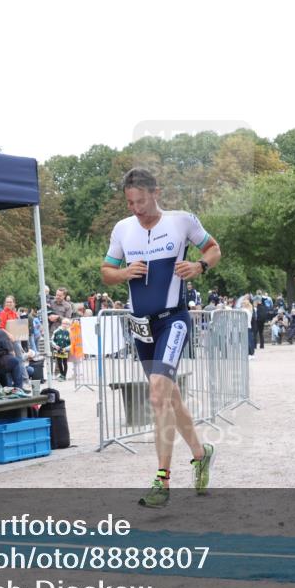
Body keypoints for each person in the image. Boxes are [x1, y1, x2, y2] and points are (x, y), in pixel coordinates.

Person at [100, 167, 219, 508]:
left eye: (140, 200)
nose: (135, 208)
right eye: (129, 202)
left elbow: (213, 249)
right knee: (170, 397)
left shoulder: (182, 221)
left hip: (173, 320)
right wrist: (123, 272)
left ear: (156, 192)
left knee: (156, 393)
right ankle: (200, 453)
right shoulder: (122, 229)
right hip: (141, 326)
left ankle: (162, 481)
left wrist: (200, 267)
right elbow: (106, 272)